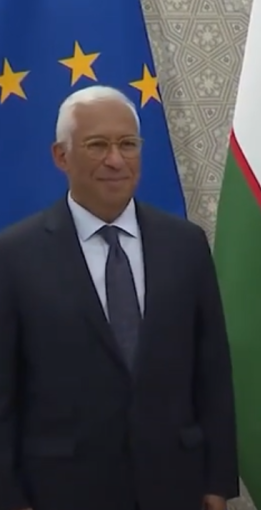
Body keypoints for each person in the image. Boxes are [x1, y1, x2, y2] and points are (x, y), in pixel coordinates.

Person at [0, 85, 239, 510]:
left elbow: (212, 373)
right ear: (61, 156)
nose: (116, 159)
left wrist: (217, 483)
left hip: (175, 487)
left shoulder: (185, 244)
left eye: (128, 144)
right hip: (62, 491)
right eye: (97, 145)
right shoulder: (15, 255)